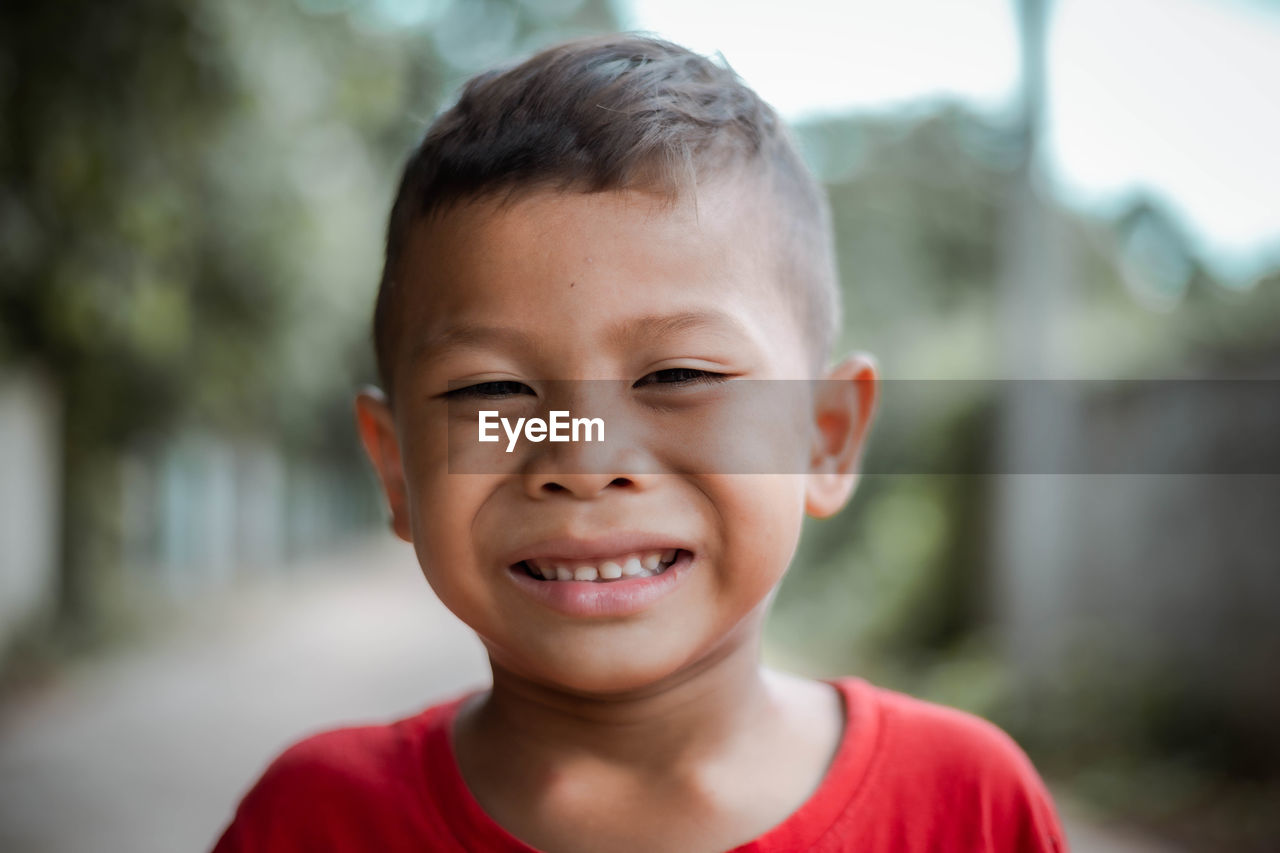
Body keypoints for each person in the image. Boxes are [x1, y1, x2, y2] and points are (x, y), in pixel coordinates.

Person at [211, 33, 1067, 852]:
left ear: (826, 436)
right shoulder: (315, 820)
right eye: (492, 390)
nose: (584, 463)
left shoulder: (966, 805)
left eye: (678, 376)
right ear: (396, 466)